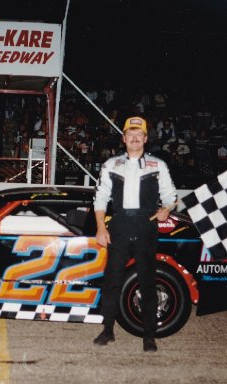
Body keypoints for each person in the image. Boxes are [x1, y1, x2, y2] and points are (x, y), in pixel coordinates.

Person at [93, 116, 177, 352]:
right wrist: (101, 227)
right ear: (124, 138)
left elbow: (171, 196)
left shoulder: (157, 165)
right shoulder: (111, 164)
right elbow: (100, 198)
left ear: (146, 138)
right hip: (119, 225)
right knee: (112, 281)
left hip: (146, 226)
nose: (134, 137)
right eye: (130, 133)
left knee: (147, 282)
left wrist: (166, 209)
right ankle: (107, 330)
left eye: (139, 134)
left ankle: (149, 337)